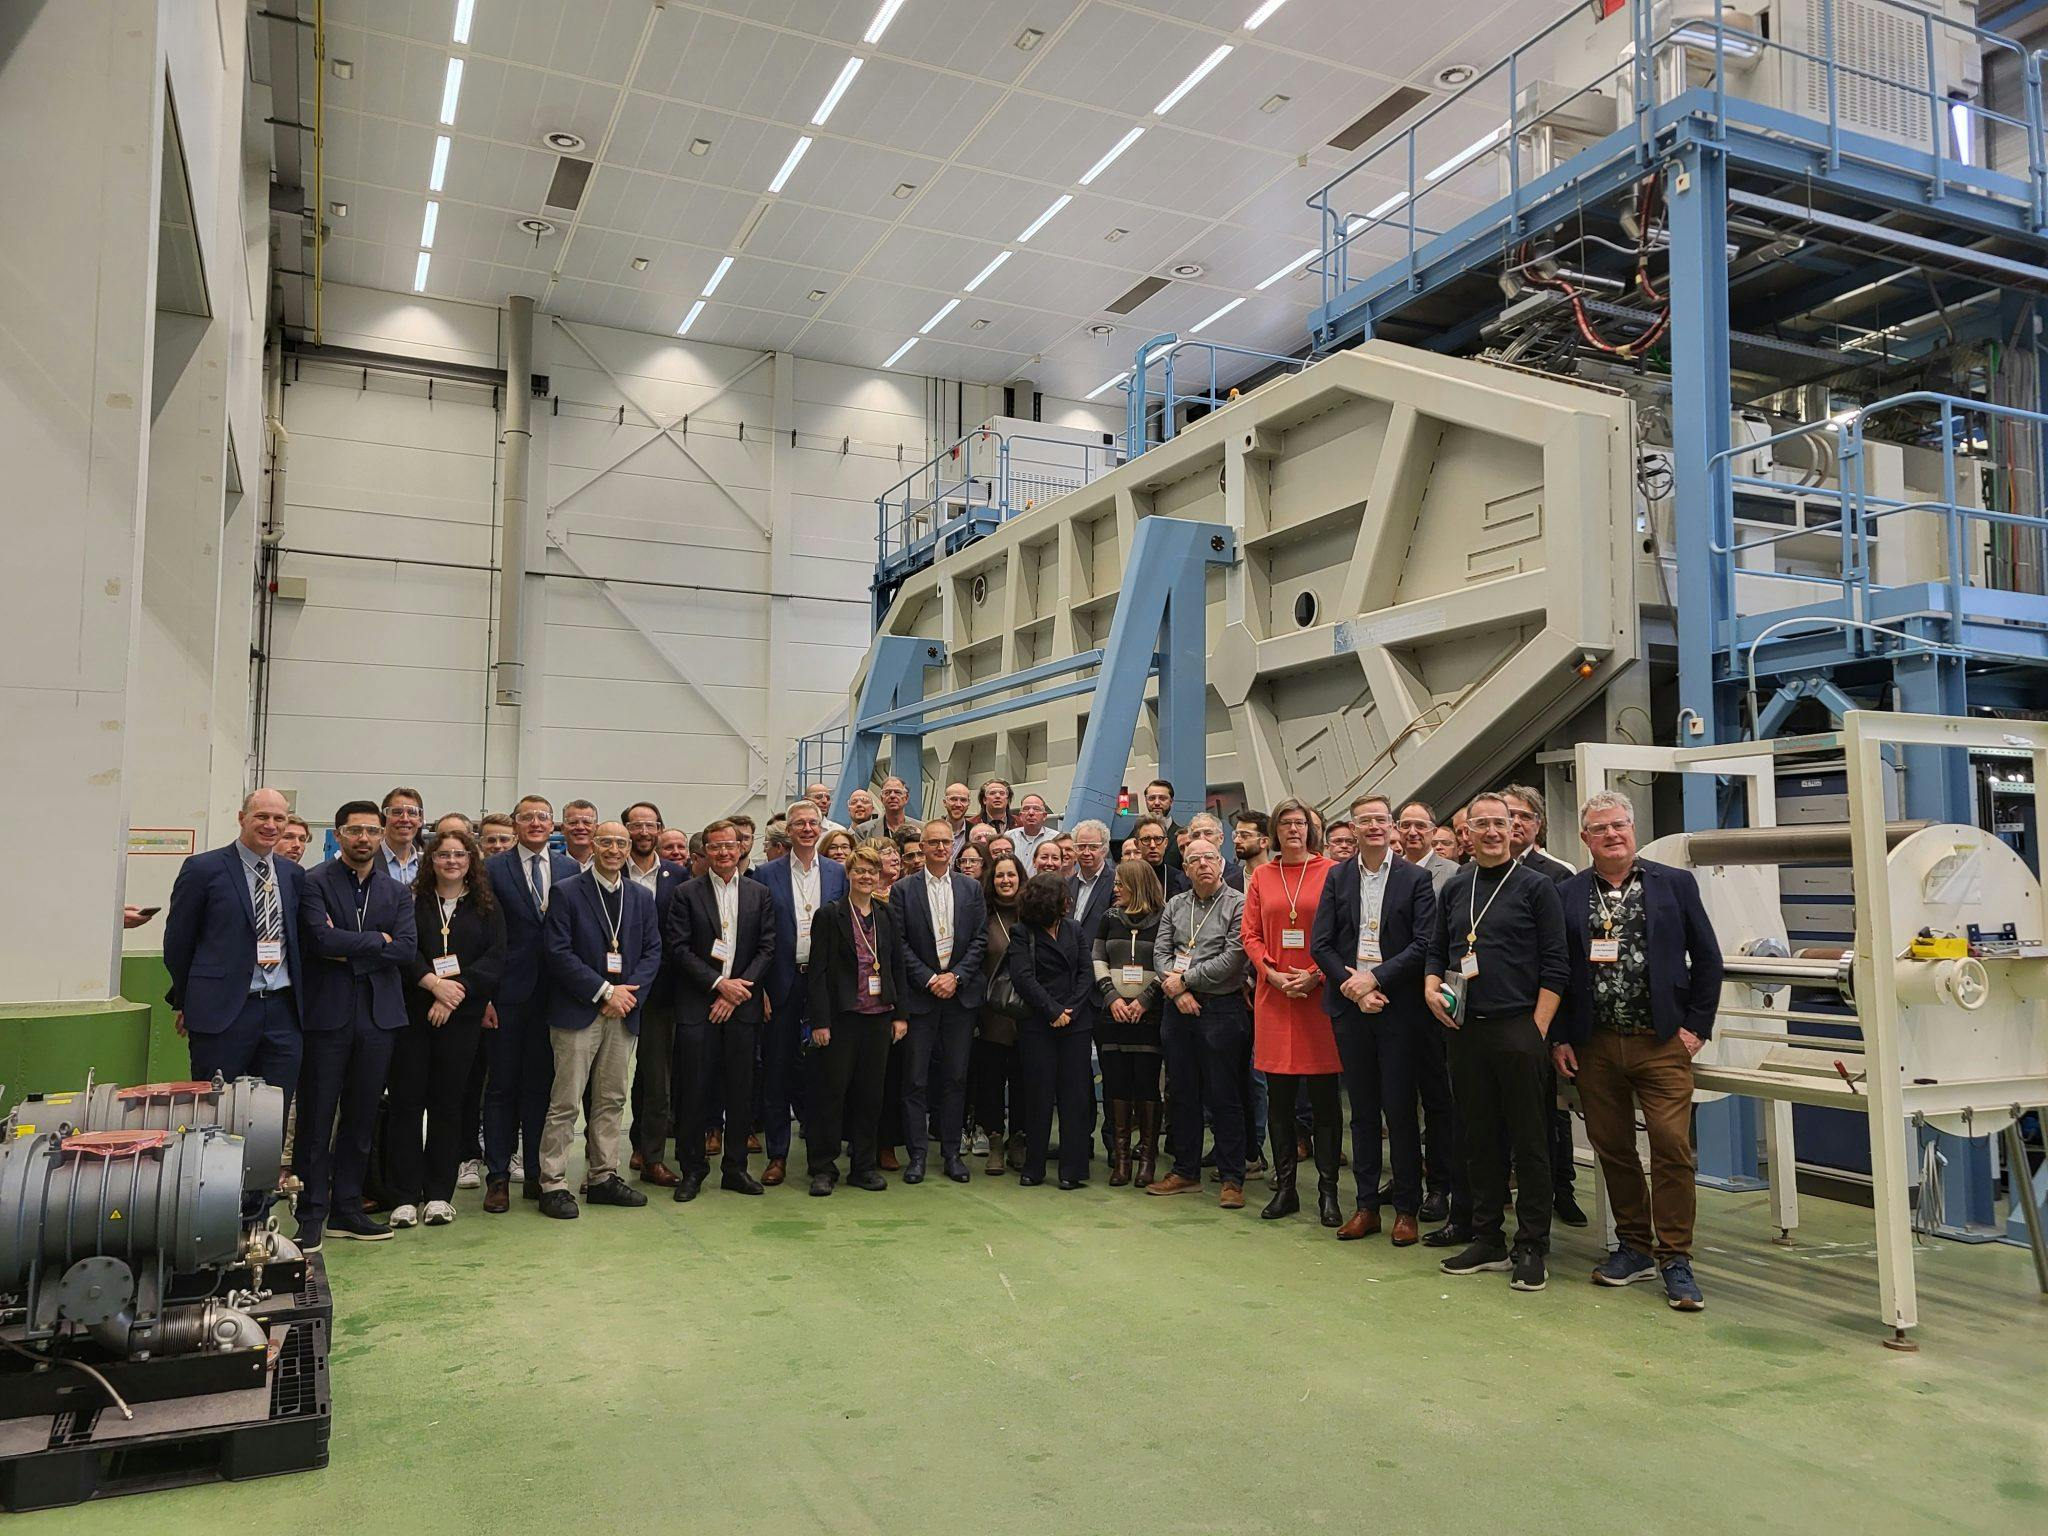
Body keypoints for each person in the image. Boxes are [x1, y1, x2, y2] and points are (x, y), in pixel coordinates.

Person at [1554, 792, 1721, 1311]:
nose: (1612, 834)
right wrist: (1560, 1035)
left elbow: (1708, 959)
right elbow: (1556, 971)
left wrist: (1696, 1028)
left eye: (1620, 825)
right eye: (1600, 829)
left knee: (1672, 1147)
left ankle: (1676, 1258)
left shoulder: (1672, 884)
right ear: (1586, 839)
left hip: (1661, 1042)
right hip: (1595, 1044)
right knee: (1613, 1148)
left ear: (1634, 829)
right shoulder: (1567, 894)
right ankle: (1634, 1247)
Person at [1424, 792, 1568, 1292]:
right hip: (1465, 1029)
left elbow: (1556, 964)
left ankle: (1532, 1245)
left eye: (1498, 823)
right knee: (1477, 1137)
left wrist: (1537, 1029)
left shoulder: (1536, 887)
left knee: (1530, 1140)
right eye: (1479, 823)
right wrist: (1428, 987)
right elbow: (1439, 950)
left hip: (1519, 1027)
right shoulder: (1456, 887)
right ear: (1466, 833)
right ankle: (1487, 1237)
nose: (1489, 831)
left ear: (1513, 830)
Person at [1311, 795, 1435, 1245]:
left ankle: (1406, 1208)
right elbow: (1320, 943)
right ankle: (1365, 1206)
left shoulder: (1417, 879)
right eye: (1366, 821)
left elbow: (1423, 944)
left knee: (1399, 1111)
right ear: (1355, 828)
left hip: (1398, 1007)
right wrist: (1353, 986)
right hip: (1350, 1007)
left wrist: (1375, 980)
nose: (1375, 827)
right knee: (1361, 1112)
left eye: (1382, 820)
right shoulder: (1336, 877)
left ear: (1393, 827)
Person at [297, 800, 417, 1248]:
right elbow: (318, 938)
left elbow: (404, 949)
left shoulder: (397, 892)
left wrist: (348, 949)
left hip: (379, 1017)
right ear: (339, 834)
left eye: (371, 830)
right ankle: (311, 1213)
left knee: (362, 1116)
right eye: (354, 831)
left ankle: (348, 1208)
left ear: (382, 833)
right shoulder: (313, 882)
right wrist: (374, 943)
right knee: (317, 1116)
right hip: (327, 1016)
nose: (363, 838)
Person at [535, 822, 659, 1220]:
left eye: (620, 843)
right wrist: (606, 991)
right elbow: (557, 952)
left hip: (623, 1013)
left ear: (628, 850)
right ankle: (552, 1183)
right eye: (605, 842)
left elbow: (653, 951)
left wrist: (625, 995)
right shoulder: (567, 891)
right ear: (592, 845)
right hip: (579, 1011)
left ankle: (603, 1175)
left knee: (612, 1099)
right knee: (565, 1101)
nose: (613, 849)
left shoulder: (640, 897)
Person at [163, 788, 307, 1111]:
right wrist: (189, 1001)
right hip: (223, 1013)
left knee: (272, 1115)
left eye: (278, 818)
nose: (271, 824)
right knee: (214, 1110)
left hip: (282, 1013)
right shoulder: (203, 869)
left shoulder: (293, 875)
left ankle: (263, 1165)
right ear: (242, 818)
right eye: (262, 816)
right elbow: (177, 943)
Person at [390, 827, 504, 1227]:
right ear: (430, 860)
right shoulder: (411, 901)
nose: (451, 861)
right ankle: (404, 1196)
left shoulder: (486, 906)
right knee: (406, 1104)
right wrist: (434, 986)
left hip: (462, 1019)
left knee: (448, 1105)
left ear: (470, 861)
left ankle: (439, 1194)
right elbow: (405, 950)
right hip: (413, 1016)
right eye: (443, 855)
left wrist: (455, 993)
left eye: (459, 855)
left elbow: (494, 958)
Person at [1241, 798, 1341, 1227]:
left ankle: (1328, 1192)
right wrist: (1271, 973)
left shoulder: (1334, 872)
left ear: (1311, 829)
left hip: (1320, 1000)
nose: (1294, 830)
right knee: (1279, 1101)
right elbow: (1250, 933)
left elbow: (1344, 931)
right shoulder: (1262, 875)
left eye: (1301, 823)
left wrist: (1318, 974)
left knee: (1325, 1103)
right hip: (1275, 997)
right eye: (1286, 823)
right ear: (1275, 832)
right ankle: (1285, 1190)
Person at [481, 795, 580, 1211]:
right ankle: (499, 1176)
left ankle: (539, 1175)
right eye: (527, 817)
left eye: (543, 817)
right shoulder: (491, 868)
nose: (535, 823)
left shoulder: (569, 868)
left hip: (556, 995)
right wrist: (485, 994)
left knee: (544, 1087)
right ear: (516, 824)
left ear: (553, 824)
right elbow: (482, 935)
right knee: (502, 1086)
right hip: (507, 994)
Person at [667, 819, 775, 1200]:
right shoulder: (685, 893)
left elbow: (767, 947)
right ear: (705, 852)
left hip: (742, 1006)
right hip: (700, 1005)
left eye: (730, 845)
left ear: (741, 848)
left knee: (741, 1090)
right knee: (694, 1090)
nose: (724, 852)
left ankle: (735, 1169)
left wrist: (737, 990)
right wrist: (717, 985)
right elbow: (678, 948)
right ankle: (692, 1170)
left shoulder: (759, 893)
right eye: (715, 847)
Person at [1148, 840, 1250, 1208]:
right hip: (1178, 1008)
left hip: (1221, 1009)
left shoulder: (1238, 903)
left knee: (1224, 1094)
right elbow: (1160, 952)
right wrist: (1175, 993)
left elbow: (1234, 958)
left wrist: (1185, 982)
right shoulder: (1176, 904)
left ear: (1221, 865)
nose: (1203, 865)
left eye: (1210, 858)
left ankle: (1232, 1177)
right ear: (1186, 869)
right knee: (1182, 1092)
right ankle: (1185, 1170)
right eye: (1194, 860)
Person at [1502, 782, 1586, 1228]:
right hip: (1498, 1011)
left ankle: (1563, 1189)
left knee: (1550, 1109)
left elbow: (1566, 953)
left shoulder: (1557, 873)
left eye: (1523, 816)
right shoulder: (1477, 870)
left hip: (1543, 1013)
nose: (1514, 823)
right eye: (1506, 814)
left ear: (1538, 824)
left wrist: (1555, 1028)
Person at [802, 845, 909, 1196]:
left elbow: (895, 966)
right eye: (859, 870)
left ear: (880, 876)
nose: (866, 877)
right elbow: (816, 973)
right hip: (842, 1017)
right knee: (831, 1094)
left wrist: (900, 1014)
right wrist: (820, 1021)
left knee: (870, 1095)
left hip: (879, 1017)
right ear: (848, 875)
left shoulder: (886, 913)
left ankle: (863, 1165)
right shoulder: (830, 915)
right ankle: (822, 1166)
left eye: (872, 871)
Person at [751, 801, 847, 1187]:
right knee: (777, 1070)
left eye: (813, 823)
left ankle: (820, 1159)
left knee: (823, 1073)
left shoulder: (839, 873)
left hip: (825, 986)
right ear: (787, 831)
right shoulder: (765, 874)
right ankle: (777, 1155)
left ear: (821, 828)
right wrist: (759, 989)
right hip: (780, 983)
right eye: (799, 824)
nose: (807, 829)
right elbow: (756, 934)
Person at [890, 819, 988, 1184]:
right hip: (920, 997)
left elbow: (979, 939)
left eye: (946, 842)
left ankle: (951, 1152)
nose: (940, 848)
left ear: (954, 847)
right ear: (923, 846)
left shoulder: (970, 889)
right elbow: (898, 943)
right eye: (933, 842)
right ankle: (917, 1155)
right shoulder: (903, 890)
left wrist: (956, 977)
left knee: (955, 1077)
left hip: (960, 998)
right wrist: (930, 978)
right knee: (914, 1080)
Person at [1008, 872, 1094, 1188]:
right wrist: (1053, 1011)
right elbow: (1023, 978)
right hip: (1038, 1024)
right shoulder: (1022, 933)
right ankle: (1034, 1166)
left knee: (1075, 1097)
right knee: (1038, 1096)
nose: (1068, 902)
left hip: (1077, 1023)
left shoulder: (1073, 929)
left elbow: (1086, 971)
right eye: (1063, 897)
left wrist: (1070, 1010)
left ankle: (1073, 1170)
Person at [621, 802, 691, 1188]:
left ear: (660, 829)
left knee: (656, 1077)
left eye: (651, 825)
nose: (644, 832)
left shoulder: (677, 875)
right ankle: (600, 1159)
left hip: (662, 992)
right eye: (636, 825)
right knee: (607, 1079)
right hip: (613, 991)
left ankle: (651, 1155)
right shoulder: (611, 870)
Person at [1094, 858, 1164, 1188]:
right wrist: (1112, 997)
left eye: (1121, 884)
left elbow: (1171, 962)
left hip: (1148, 1016)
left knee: (1147, 1086)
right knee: (1116, 1084)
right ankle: (1121, 1160)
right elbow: (1098, 959)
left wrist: (1144, 1000)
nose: (1116, 889)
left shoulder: (1164, 919)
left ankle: (1147, 1159)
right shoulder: (1109, 919)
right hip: (1113, 1015)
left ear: (1138, 885)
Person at [974, 852, 1027, 1175]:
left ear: (1021, 878)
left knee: (1023, 1082)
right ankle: (994, 1141)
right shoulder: (982, 915)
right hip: (990, 1014)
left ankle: (1019, 1140)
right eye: (999, 876)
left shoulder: (1033, 914)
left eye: (1011, 875)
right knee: (990, 1082)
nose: (1006, 881)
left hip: (1026, 1014)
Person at [1127, 815, 1190, 897]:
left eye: (1158, 839)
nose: (1153, 845)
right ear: (1137, 844)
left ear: (1166, 843)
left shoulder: (1180, 879)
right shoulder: (1127, 878)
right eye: (1146, 839)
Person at [379, 787, 426, 886]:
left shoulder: (428, 865)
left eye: (412, 813)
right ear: (384, 819)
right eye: (397, 812)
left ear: (420, 821)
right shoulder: (367, 862)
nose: (405, 819)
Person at [1009, 794, 1058, 868]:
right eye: (1026, 808)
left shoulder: (1055, 838)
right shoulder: (1009, 837)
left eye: (1036, 809)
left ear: (1044, 816)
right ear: (1020, 816)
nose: (1031, 813)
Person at [1229, 809, 1271, 892]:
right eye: (1236, 835)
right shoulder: (1229, 884)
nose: (1236, 840)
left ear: (1264, 842)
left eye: (1244, 835)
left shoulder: (1282, 877)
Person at [560, 800, 599, 871]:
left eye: (587, 822)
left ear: (596, 828)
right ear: (563, 829)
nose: (580, 827)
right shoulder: (551, 865)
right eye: (573, 822)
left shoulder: (608, 862)